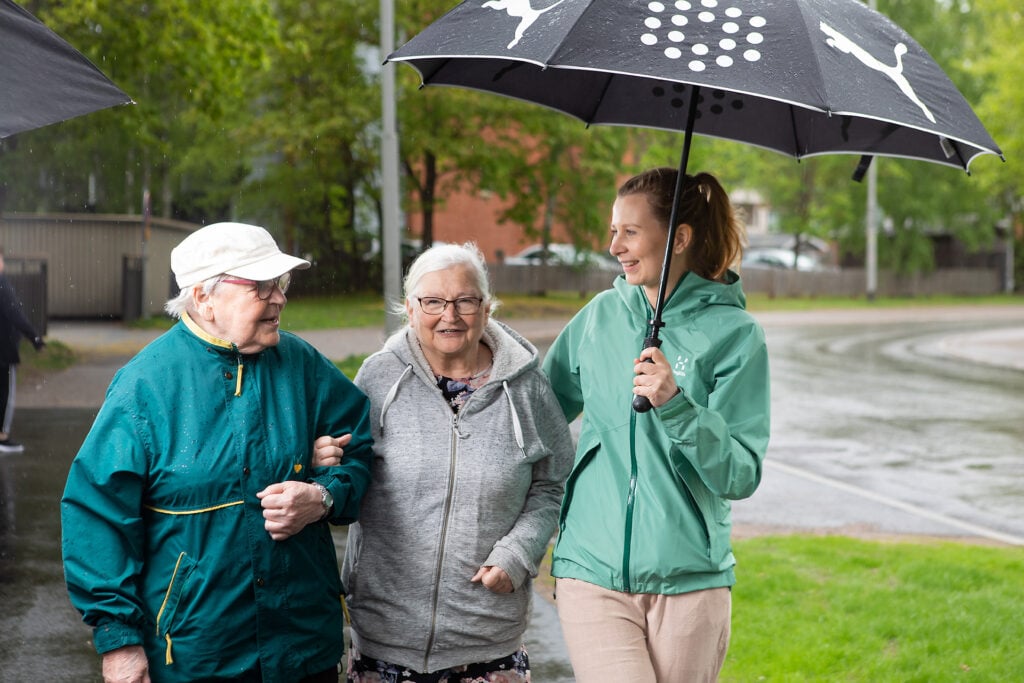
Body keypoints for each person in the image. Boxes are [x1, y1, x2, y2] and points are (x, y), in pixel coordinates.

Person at [61, 222, 374, 683]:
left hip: (303, 651)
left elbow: (361, 450)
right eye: (261, 285)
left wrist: (322, 496)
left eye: (280, 284)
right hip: (197, 656)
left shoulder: (303, 365)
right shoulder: (144, 387)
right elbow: (97, 515)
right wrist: (120, 642)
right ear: (203, 297)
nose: (280, 298)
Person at [542, 168, 771, 682]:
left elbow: (740, 473)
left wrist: (676, 404)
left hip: (690, 579)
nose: (614, 246)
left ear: (680, 238)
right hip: (590, 567)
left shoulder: (736, 336)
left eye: (630, 231)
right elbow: (537, 411)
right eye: (612, 231)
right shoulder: (600, 316)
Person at [326, 242, 574, 682]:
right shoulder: (378, 378)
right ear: (409, 307)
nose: (451, 315)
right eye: (434, 302)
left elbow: (552, 482)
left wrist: (519, 552)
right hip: (385, 638)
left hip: (488, 640)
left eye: (465, 301)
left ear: (487, 308)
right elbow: (348, 468)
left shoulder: (527, 389)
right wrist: (322, 458)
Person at [0, 248, 45, 454]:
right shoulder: (2, 284)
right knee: (5, 394)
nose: (4, 264)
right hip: (4, 351)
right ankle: (2, 435)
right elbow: (14, 313)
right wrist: (34, 337)